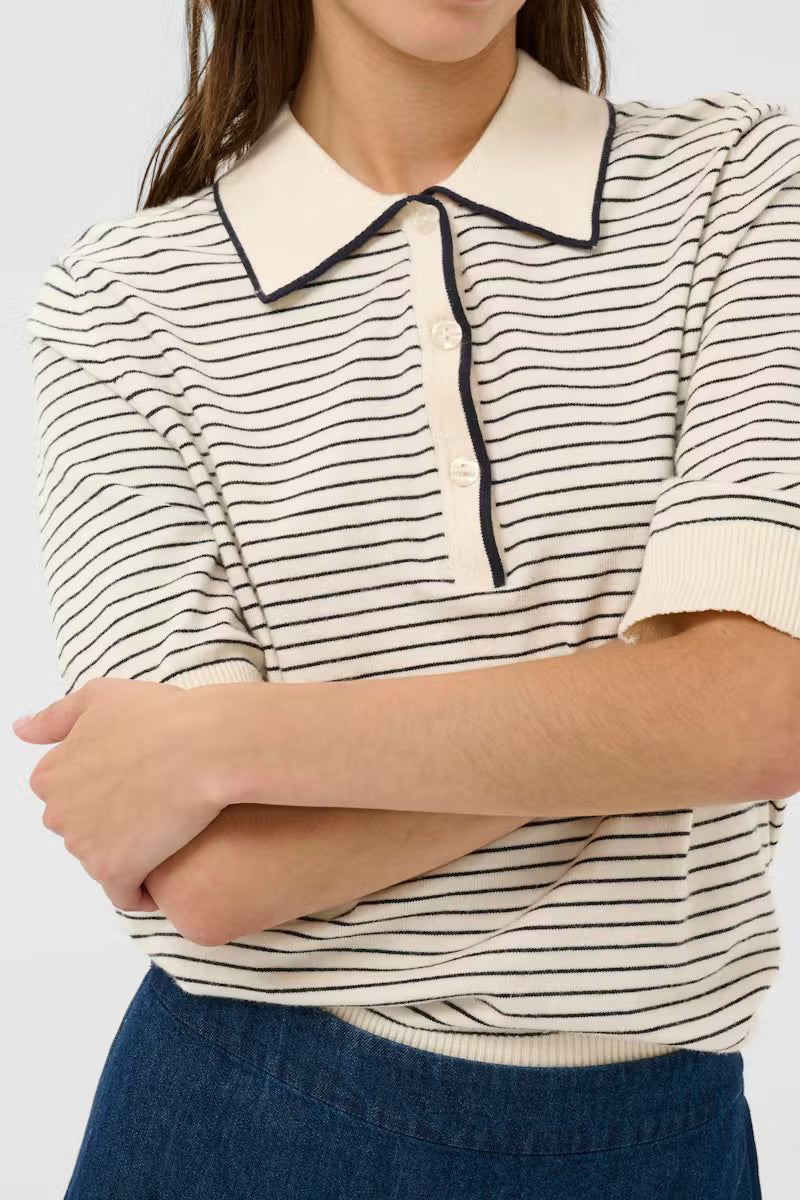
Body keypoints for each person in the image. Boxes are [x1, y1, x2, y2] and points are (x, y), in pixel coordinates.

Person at [17, 0, 800, 1195]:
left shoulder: (737, 182)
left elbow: (761, 713)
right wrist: (657, 714)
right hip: (245, 1126)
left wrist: (224, 742)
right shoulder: (118, 304)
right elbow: (218, 877)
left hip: (664, 1140)